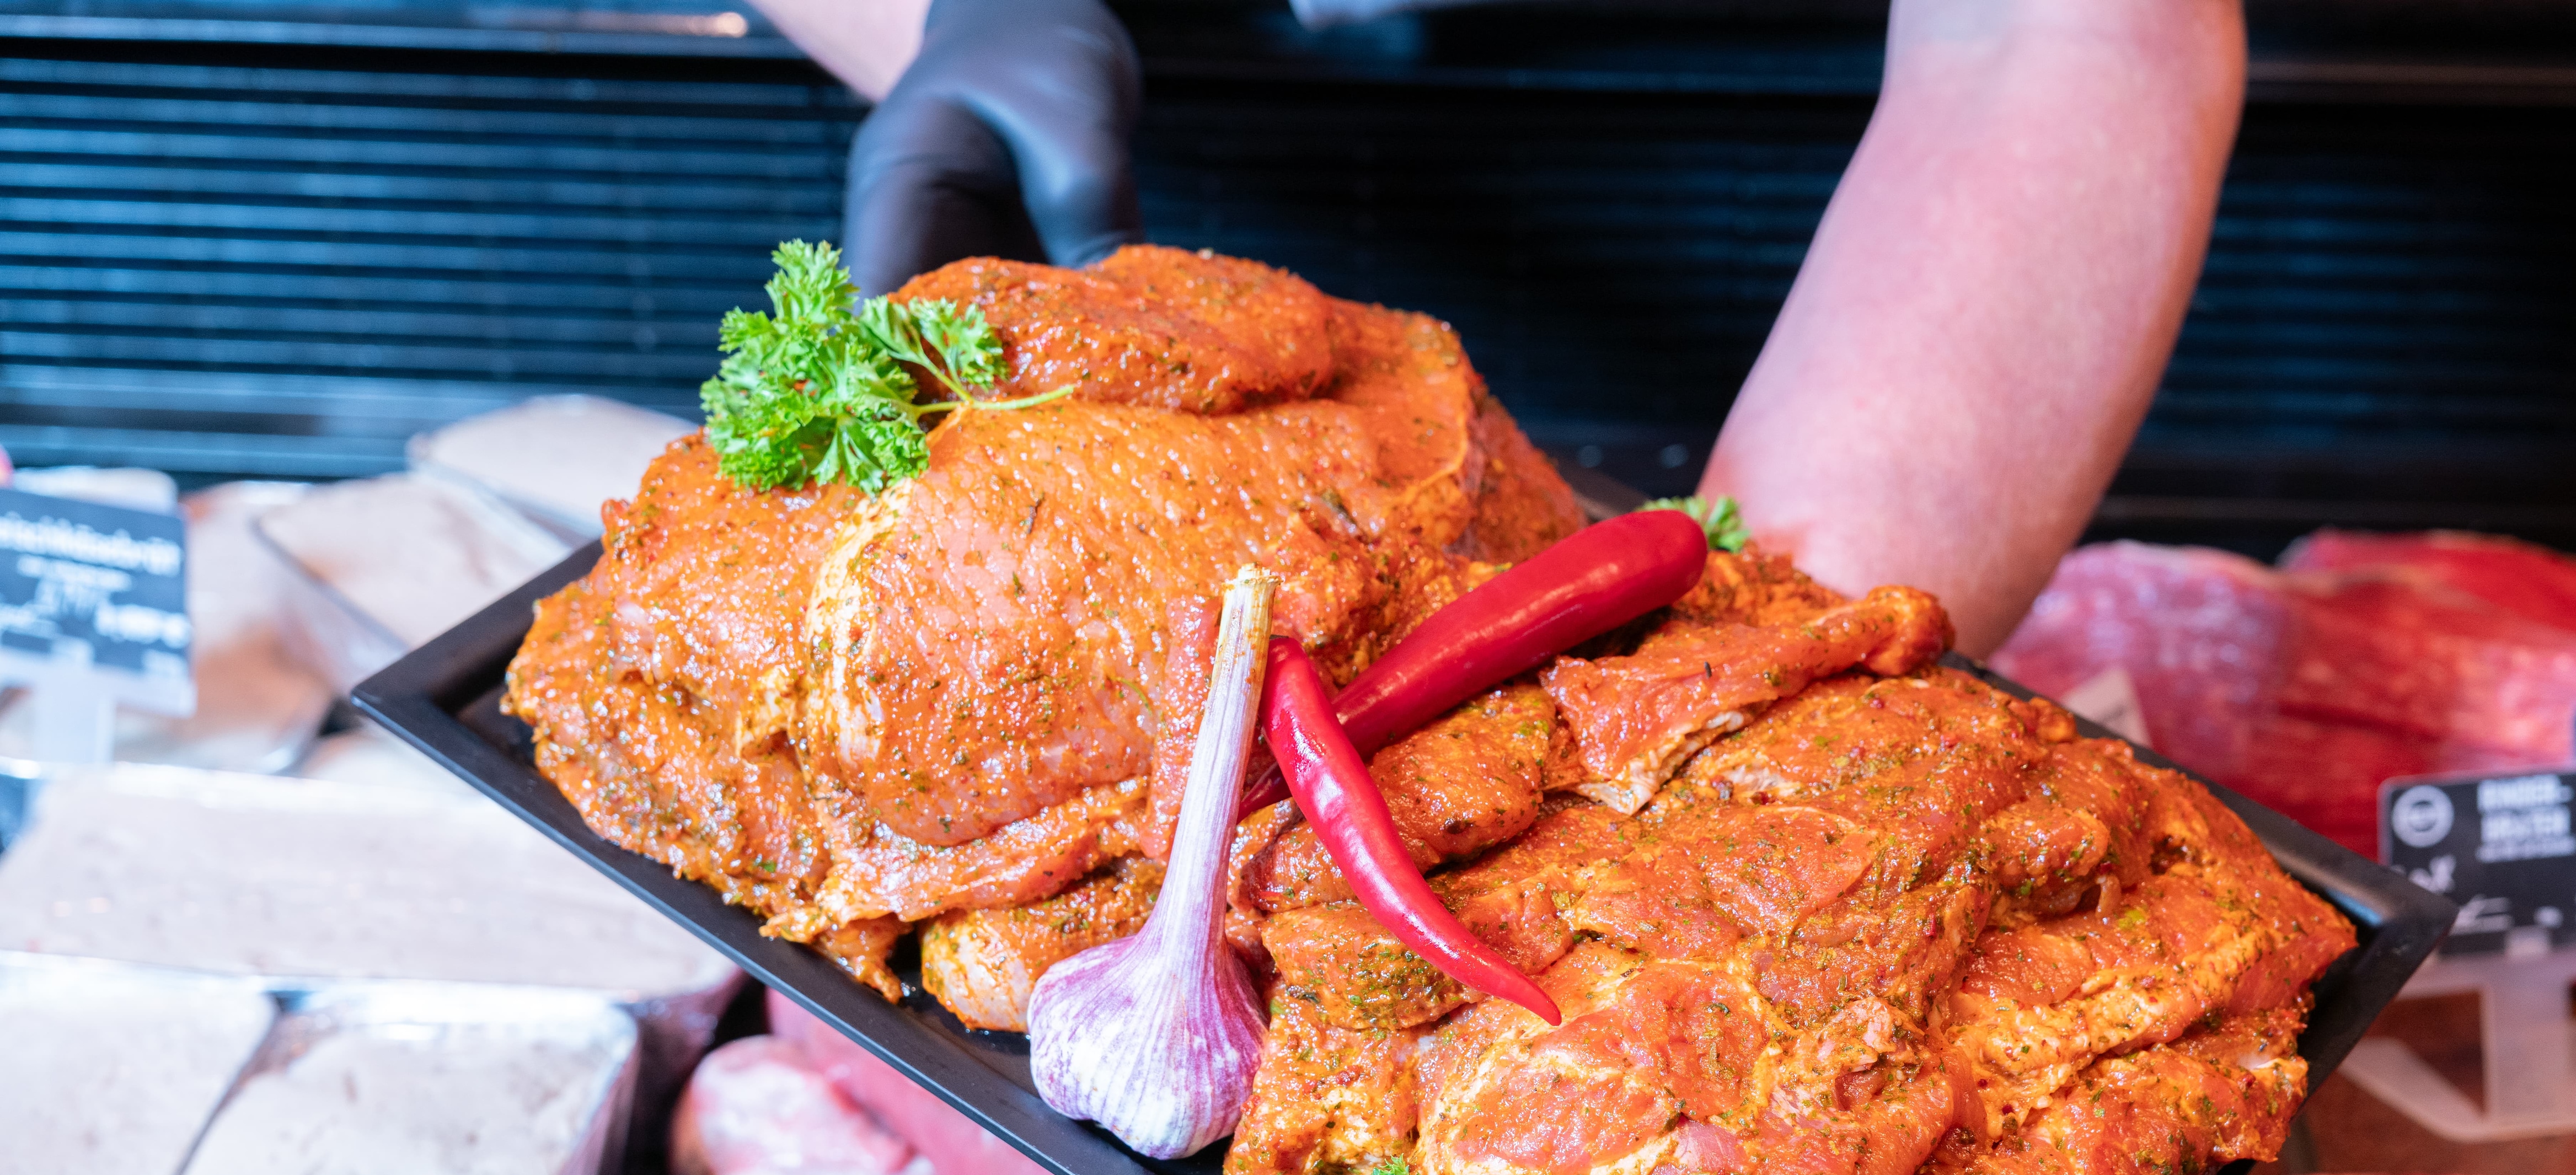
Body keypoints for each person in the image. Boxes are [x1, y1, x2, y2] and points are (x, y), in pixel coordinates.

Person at [745, 0, 2243, 652]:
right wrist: (954, 11)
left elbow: (2057, 34)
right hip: (1150, 227)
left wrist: (1766, 651)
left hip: (1852, 277)